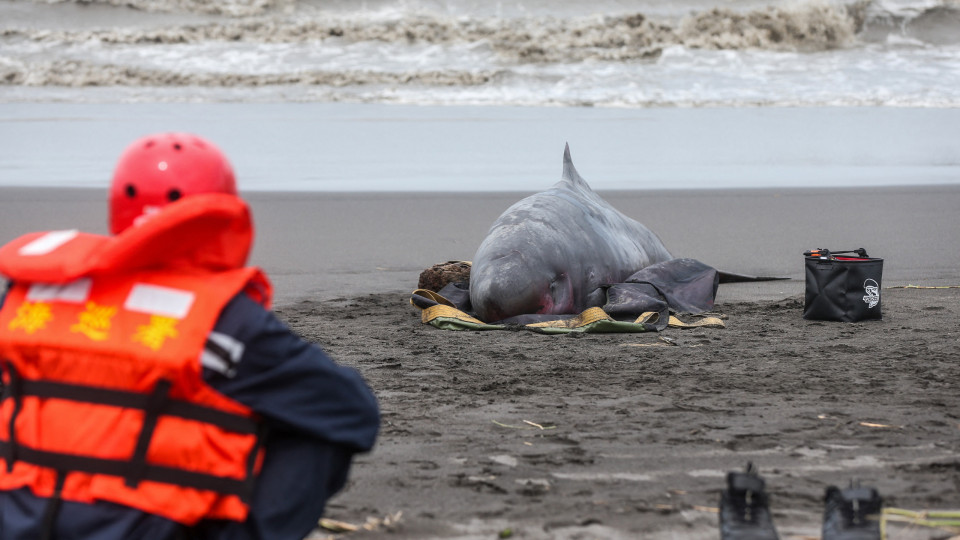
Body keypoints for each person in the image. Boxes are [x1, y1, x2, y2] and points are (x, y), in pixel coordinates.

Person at [0, 133, 380, 540]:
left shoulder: (22, 299)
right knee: (315, 417)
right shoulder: (224, 320)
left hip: (18, 523)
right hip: (148, 528)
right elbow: (351, 412)